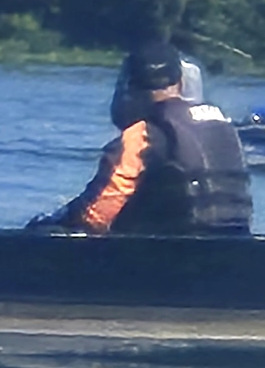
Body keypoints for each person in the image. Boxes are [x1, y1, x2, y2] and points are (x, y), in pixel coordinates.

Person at [31, 38, 253, 235]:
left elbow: (97, 214)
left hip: (172, 253)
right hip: (238, 245)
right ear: (181, 81)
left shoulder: (143, 135)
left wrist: (57, 221)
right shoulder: (224, 125)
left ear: (130, 86)